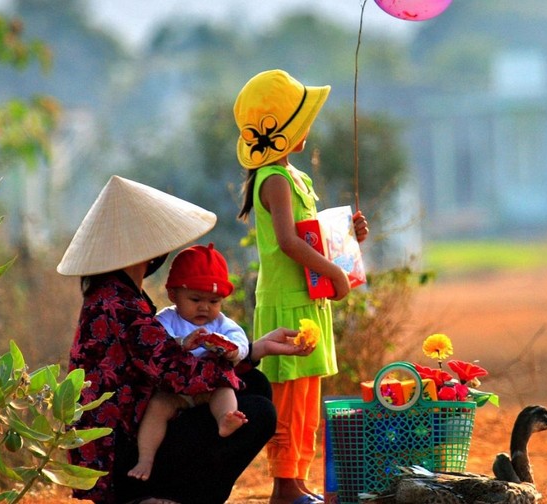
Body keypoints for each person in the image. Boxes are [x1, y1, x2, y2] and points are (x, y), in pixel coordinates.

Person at [58, 175, 314, 504]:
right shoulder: (117, 305)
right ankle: (161, 496)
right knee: (259, 410)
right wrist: (244, 355)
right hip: (121, 459)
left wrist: (253, 351)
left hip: (133, 436)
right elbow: (179, 374)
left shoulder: (117, 294)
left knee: (255, 386)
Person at [233, 69, 369, 504]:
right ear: (286, 129)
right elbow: (289, 242)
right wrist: (333, 272)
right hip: (288, 305)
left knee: (308, 400)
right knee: (289, 400)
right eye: (303, 119)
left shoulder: (296, 178)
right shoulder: (273, 179)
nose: (308, 127)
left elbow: (310, 235)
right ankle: (284, 487)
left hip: (309, 301)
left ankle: (299, 481)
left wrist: (348, 237)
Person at [127, 243, 251, 482]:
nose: (205, 307)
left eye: (214, 302)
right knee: (157, 406)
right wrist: (182, 343)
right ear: (174, 295)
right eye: (195, 299)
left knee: (225, 389)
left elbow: (240, 342)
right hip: (176, 391)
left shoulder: (221, 323)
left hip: (209, 389)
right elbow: (157, 342)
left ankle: (225, 419)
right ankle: (146, 458)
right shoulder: (167, 318)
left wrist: (232, 350)